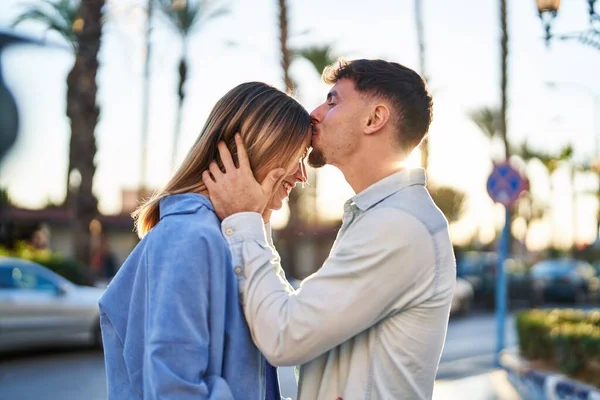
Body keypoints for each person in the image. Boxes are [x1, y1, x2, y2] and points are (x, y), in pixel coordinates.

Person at [202, 59, 457, 400]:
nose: (316, 113)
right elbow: (302, 321)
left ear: (374, 119)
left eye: (333, 100)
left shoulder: (400, 226)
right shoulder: (383, 217)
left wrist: (245, 218)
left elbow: (285, 335)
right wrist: (256, 220)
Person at [98, 81, 312, 400]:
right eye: (298, 155)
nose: (302, 175)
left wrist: (255, 219)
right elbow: (175, 390)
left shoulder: (226, 233)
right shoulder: (189, 236)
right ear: (257, 147)